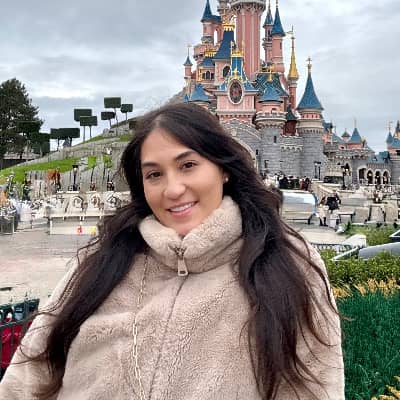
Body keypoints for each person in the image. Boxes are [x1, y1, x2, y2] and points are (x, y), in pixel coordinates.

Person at [0, 103, 344, 399]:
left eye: (188, 165)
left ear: (223, 168)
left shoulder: (286, 266)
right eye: (154, 174)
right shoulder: (101, 263)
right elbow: (26, 378)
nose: (173, 189)